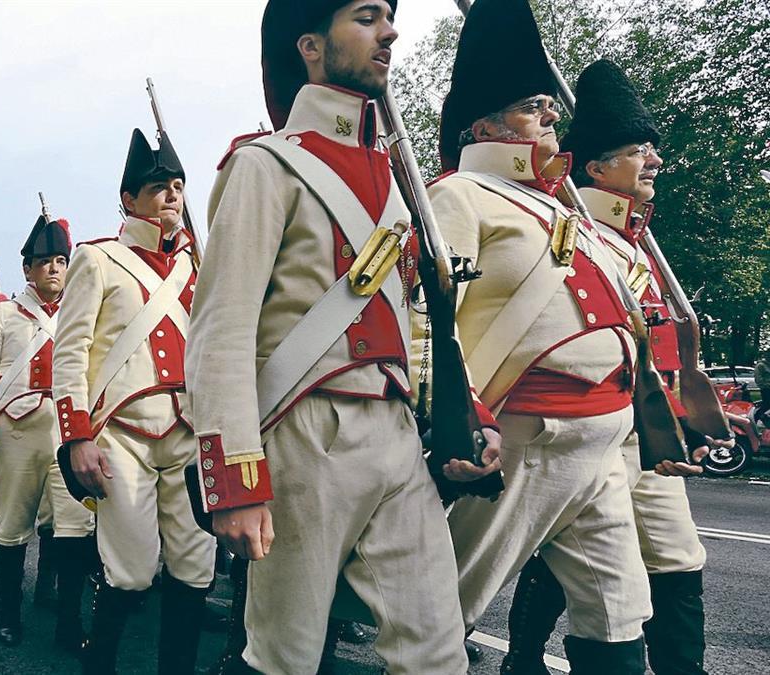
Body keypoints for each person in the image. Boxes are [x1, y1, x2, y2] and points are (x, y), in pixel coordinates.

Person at [186, 2, 494, 673]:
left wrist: (467, 413)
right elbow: (222, 330)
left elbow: (416, 321)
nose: (389, 32)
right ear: (312, 47)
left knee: (438, 652)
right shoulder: (266, 165)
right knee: (283, 656)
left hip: (394, 430)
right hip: (304, 432)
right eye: (365, 17)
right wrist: (235, 480)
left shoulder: (395, 176)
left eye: (388, 16)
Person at [430, 0, 654, 670]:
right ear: (486, 124)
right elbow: (428, 322)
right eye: (534, 106)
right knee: (439, 614)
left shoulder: (567, 211)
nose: (553, 114)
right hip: (527, 437)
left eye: (548, 105)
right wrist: (453, 421)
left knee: (618, 621)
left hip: (605, 441)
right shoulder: (460, 195)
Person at [501, 59, 713, 675]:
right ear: (595, 168)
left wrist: (674, 416)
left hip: (641, 422)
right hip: (585, 418)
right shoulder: (573, 231)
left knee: (676, 556)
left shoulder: (634, 237)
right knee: (562, 549)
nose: (654, 162)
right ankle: (521, 657)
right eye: (638, 150)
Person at [55, 127, 215, 674]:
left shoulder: (200, 266)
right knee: (131, 570)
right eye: (157, 186)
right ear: (128, 198)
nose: (172, 194)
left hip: (191, 430)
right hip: (122, 434)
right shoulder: (98, 260)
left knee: (196, 566)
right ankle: (98, 663)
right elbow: (70, 353)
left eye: (177, 185)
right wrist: (77, 436)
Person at [0, 212, 94, 647]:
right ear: (28, 269)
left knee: (75, 529)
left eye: (61, 260)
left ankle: (68, 622)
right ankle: (10, 614)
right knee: (13, 528)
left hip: (69, 433)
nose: (54, 268)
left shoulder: (83, 309)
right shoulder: (5, 315)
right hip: (17, 434)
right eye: (45, 262)